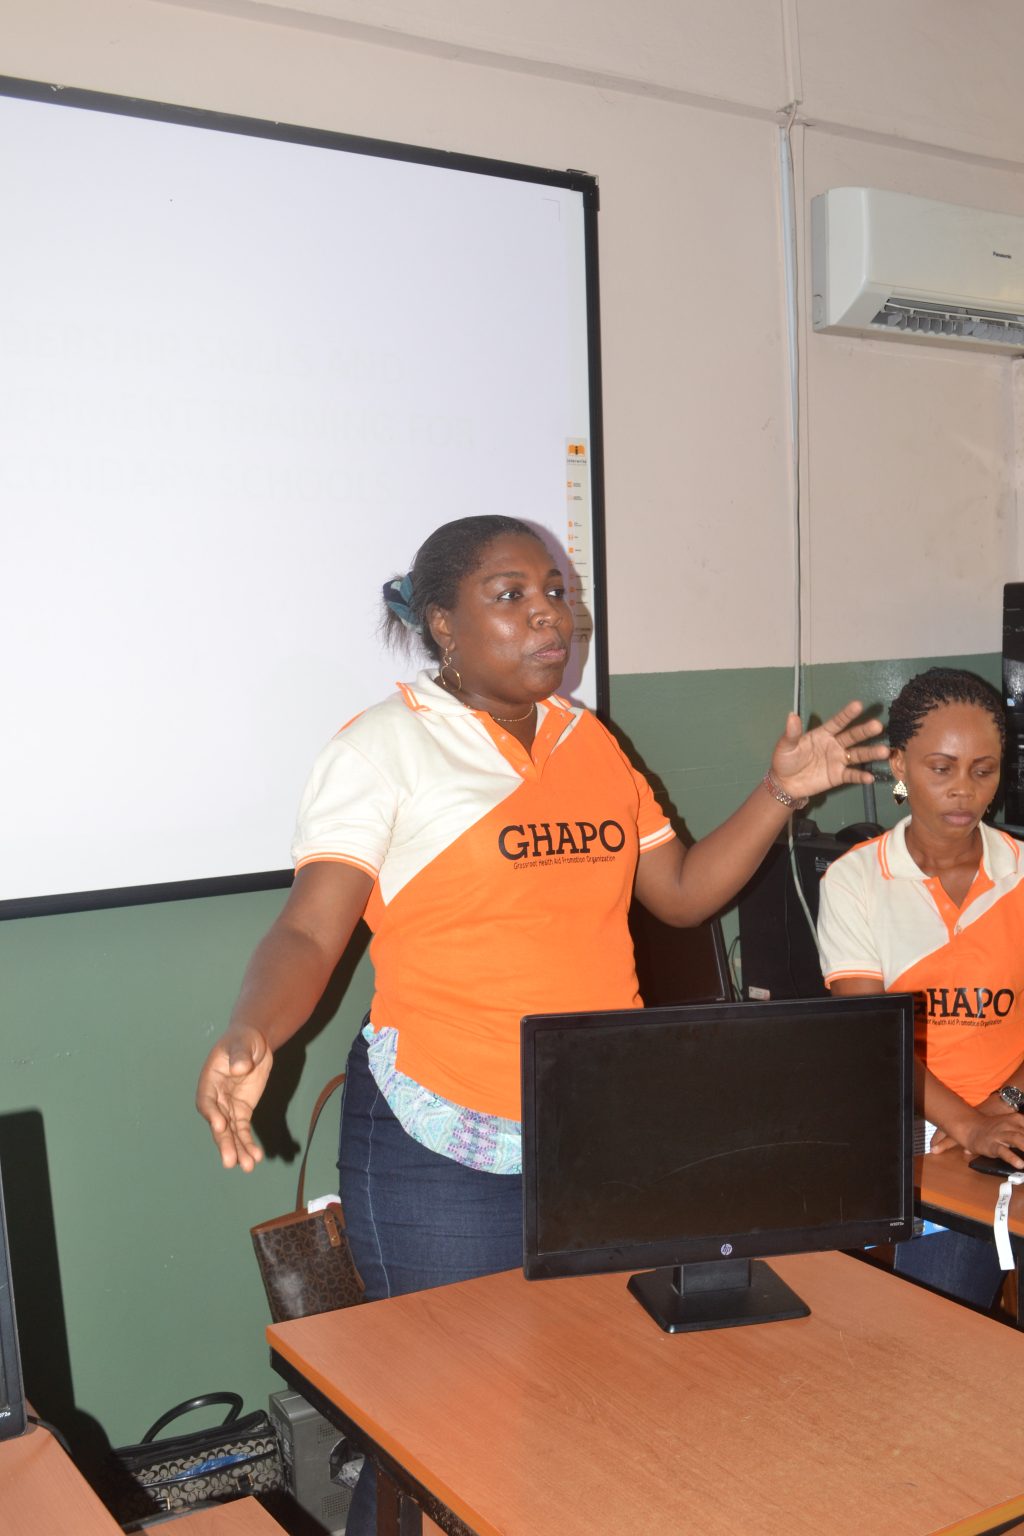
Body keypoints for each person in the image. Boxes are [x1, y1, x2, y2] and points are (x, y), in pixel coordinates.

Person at [196, 514, 886, 1533]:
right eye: (511, 596)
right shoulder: (384, 748)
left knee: (582, 1400)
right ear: (441, 624)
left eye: (557, 592)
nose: (549, 617)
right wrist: (253, 1028)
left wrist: (780, 792)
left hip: (597, 1137)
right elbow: (308, 929)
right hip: (442, 1138)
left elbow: (683, 893)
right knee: (436, 1428)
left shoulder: (588, 740)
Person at [817, 666, 1024, 1311]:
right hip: (914, 1127)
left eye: (984, 771)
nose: (964, 790)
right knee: (929, 1322)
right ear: (900, 765)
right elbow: (874, 1040)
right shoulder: (855, 882)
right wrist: (966, 1125)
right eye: (941, 768)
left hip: (1010, 1113)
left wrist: (1000, 1107)